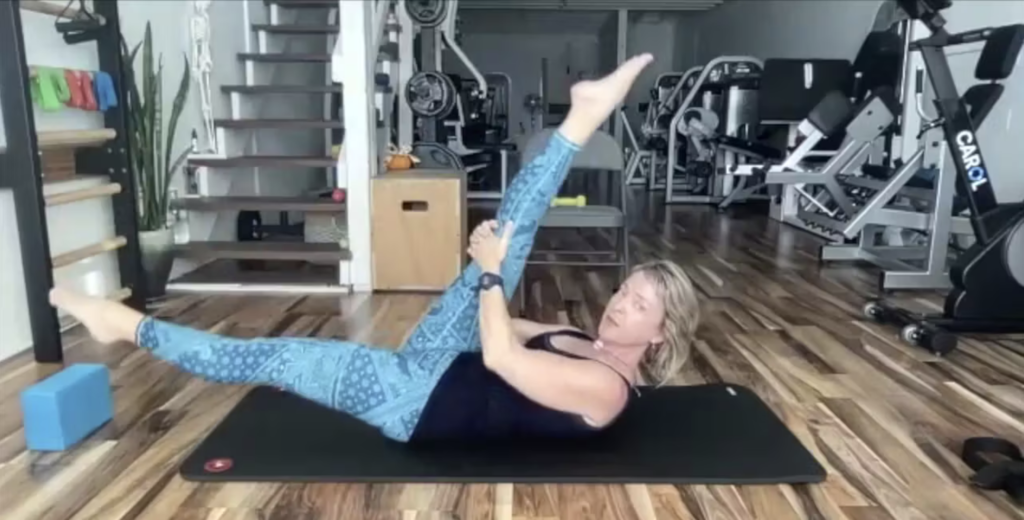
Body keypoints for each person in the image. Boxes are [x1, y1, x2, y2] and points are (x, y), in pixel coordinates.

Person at [49, 53, 700, 444]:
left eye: (638, 303)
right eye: (625, 290)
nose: (618, 302)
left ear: (661, 335)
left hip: (418, 403)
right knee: (509, 237)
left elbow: (503, 355)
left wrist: (492, 280)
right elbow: (515, 331)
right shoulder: (578, 339)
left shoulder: (607, 390)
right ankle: (580, 121)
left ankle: (126, 327)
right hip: (446, 357)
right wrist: (483, 276)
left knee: (274, 357)